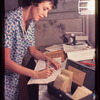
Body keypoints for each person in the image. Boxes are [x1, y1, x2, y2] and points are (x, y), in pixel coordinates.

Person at [4, 0, 61, 99]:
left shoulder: (30, 24)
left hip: (13, 80)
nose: (46, 15)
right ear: (34, 2)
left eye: (48, 11)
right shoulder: (9, 19)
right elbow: (5, 62)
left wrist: (48, 59)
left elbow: (33, 51)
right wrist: (37, 74)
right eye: (45, 9)